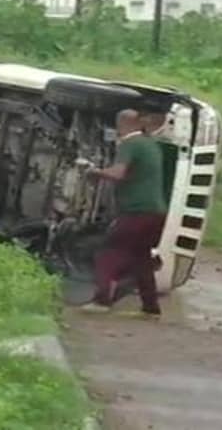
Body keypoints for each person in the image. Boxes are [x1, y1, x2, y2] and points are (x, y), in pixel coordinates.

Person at [80, 109, 168, 317]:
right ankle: (151, 308)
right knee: (141, 259)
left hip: (137, 211)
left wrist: (95, 172)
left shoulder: (130, 144)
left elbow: (118, 173)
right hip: (156, 212)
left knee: (107, 253)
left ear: (122, 125)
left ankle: (102, 301)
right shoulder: (151, 145)